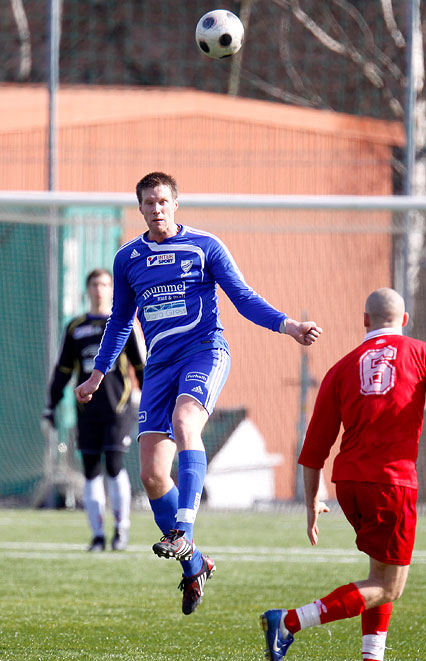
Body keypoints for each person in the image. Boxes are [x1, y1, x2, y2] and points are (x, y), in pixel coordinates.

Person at [74, 172, 322, 615]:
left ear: (176, 203)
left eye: (163, 201)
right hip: (159, 367)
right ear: (140, 208)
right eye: (148, 202)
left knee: (187, 423)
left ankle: (183, 527)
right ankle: (194, 564)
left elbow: (243, 298)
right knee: (151, 475)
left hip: (205, 351)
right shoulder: (128, 258)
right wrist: (97, 374)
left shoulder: (205, 247)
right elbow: (119, 322)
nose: (157, 209)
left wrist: (289, 326)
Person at [260, 287, 426, 661]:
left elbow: (312, 451)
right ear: (405, 321)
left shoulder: (341, 368)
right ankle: (287, 622)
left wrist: (312, 504)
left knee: (381, 572)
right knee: (388, 585)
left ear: (364, 321)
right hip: (391, 482)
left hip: (350, 483)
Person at [43, 268, 144, 552]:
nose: (99, 289)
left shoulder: (124, 323)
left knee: (114, 466)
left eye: (104, 284)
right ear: (87, 290)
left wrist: (151, 401)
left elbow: (141, 367)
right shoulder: (75, 328)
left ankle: (120, 531)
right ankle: (98, 535)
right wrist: (50, 407)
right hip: (86, 411)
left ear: (112, 290)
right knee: (90, 470)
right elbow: (62, 371)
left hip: (118, 408)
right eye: (94, 284)